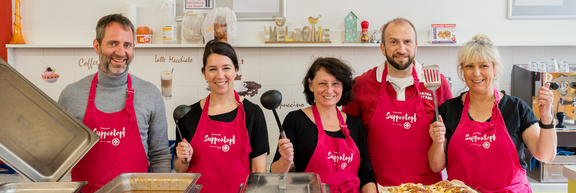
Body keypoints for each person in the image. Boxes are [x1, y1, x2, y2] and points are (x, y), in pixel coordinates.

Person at [428, 34, 557, 192]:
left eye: (483, 66)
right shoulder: (448, 110)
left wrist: (546, 116)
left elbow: (545, 155)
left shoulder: (516, 109)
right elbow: (436, 166)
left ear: (494, 69)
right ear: (462, 71)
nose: (476, 73)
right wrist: (437, 141)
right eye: (469, 66)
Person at [58, 14, 171, 192]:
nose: (121, 52)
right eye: (113, 43)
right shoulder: (71, 95)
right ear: (97, 46)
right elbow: (58, 156)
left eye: (127, 45)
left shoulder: (150, 94)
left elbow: (160, 156)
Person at [342, 18, 452, 186]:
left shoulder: (436, 83)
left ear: (416, 46)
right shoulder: (361, 85)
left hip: (426, 187)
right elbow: (348, 141)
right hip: (377, 186)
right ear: (382, 47)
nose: (401, 49)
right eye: (394, 42)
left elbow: (450, 138)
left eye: (407, 42)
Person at [173, 40, 269, 193]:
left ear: (236, 70)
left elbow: (259, 172)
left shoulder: (253, 113)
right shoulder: (188, 114)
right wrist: (183, 160)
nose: (220, 75)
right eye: (212, 69)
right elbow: (180, 169)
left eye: (226, 68)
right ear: (204, 73)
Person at [271, 57, 377, 193]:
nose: (329, 90)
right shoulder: (295, 120)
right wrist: (285, 161)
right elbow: (274, 175)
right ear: (310, 85)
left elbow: (366, 175)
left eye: (336, 83)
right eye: (322, 83)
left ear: (343, 86)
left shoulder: (355, 124)